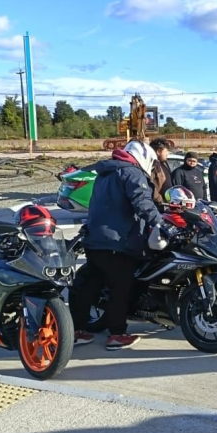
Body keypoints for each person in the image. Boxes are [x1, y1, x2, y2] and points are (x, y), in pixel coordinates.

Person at [70, 140, 167, 350]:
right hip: (118, 241)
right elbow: (142, 202)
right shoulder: (132, 173)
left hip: (95, 238)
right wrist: (161, 223)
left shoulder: (105, 173)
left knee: (91, 285)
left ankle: (77, 331)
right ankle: (116, 335)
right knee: (120, 289)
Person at [149, 138, 172, 207]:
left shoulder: (162, 164)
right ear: (159, 151)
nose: (168, 153)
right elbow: (151, 187)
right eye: (166, 151)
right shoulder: (152, 165)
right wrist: (161, 201)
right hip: (159, 207)